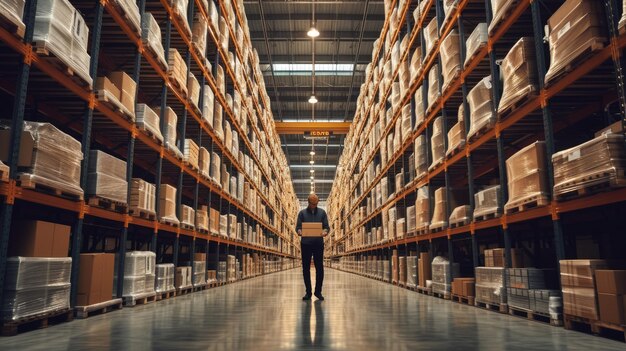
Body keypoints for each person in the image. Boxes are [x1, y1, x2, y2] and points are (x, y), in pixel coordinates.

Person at [296, 193, 329, 301]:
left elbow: (326, 227)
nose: (314, 206)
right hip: (306, 244)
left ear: (318, 202)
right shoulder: (302, 213)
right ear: (308, 202)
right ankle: (308, 292)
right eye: (312, 204)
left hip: (318, 243)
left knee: (320, 268)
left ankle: (318, 291)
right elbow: (298, 227)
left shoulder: (322, 213)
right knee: (306, 268)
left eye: (316, 204)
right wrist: (300, 231)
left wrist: (325, 232)